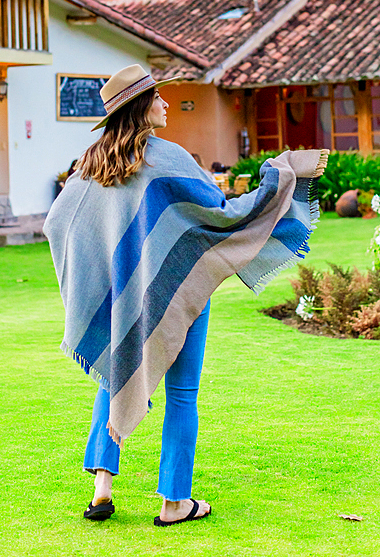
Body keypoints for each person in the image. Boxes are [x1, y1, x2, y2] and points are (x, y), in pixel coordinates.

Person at [44, 64, 327, 527]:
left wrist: (101, 277)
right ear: (141, 106)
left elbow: (59, 224)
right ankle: (174, 502)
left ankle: (102, 489)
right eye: (157, 97)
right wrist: (277, 178)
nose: (166, 103)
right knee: (182, 393)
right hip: (177, 289)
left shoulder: (90, 164)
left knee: (113, 377)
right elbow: (222, 211)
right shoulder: (168, 157)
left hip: (125, 301)